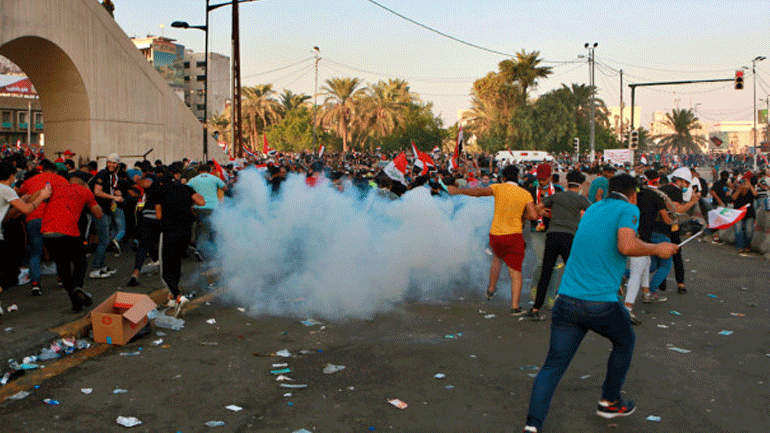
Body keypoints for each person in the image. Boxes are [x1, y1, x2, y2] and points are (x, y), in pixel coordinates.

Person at [522, 174, 679, 433]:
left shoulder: (593, 208)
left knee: (553, 365)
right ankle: (609, 401)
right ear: (633, 194)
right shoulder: (629, 208)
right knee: (625, 340)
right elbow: (626, 246)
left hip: (566, 301)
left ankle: (532, 425)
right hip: (599, 304)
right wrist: (657, 250)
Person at [447, 165, 538, 315]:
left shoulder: (498, 188)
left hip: (495, 235)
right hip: (514, 235)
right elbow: (534, 216)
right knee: (515, 273)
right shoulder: (525, 194)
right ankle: (515, 307)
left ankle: (490, 289)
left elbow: (477, 192)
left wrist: (458, 191)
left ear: (503, 178)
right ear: (518, 178)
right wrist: (524, 216)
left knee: (497, 258)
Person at [524, 169, 590, 321]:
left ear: (567, 183)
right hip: (569, 238)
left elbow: (536, 208)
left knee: (546, 273)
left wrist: (544, 214)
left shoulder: (556, 196)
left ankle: (535, 308)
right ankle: (577, 307)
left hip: (552, 236)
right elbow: (593, 212)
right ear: (580, 185)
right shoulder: (581, 200)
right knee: (573, 272)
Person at [41, 172, 103, 312]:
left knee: (63, 269)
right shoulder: (84, 191)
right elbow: (98, 214)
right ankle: (77, 287)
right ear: (83, 182)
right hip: (68, 233)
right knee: (81, 262)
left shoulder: (56, 187)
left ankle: (76, 304)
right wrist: (88, 193)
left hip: (47, 233)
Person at [0, 161, 52, 315]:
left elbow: (9, 214)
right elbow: (27, 209)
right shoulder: (5, 189)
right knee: (10, 275)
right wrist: (42, 196)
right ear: (11, 175)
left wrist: (28, 198)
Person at [156, 163, 205, 316]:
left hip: (170, 231)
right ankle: (172, 296)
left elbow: (158, 216)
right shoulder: (186, 188)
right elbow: (201, 202)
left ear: (162, 182)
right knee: (176, 262)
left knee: (165, 269)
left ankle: (178, 296)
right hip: (185, 232)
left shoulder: (160, 191)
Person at [18, 159, 69, 295]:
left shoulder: (31, 180)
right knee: (59, 250)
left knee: (35, 252)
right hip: (54, 219)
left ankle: (35, 284)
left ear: (42, 169)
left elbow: (20, 193)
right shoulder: (61, 180)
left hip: (33, 218)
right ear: (54, 171)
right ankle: (61, 278)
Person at [87, 153, 123, 279]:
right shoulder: (103, 174)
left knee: (105, 238)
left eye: (114, 162)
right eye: (110, 162)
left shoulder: (112, 176)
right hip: (100, 209)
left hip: (106, 209)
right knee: (104, 240)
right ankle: (96, 268)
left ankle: (101, 266)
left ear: (118, 164)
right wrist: (114, 197)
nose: (112, 165)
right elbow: (97, 192)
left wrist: (117, 194)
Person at [186, 163, 226, 260]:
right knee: (212, 229)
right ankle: (209, 251)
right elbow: (225, 188)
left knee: (201, 229)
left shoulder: (194, 179)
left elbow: (186, 189)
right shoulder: (214, 178)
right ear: (209, 170)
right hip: (213, 208)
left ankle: (199, 250)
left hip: (199, 208)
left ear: (199, 171)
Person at [732, 172, 757, 256]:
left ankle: (747, 245)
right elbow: (733, 198)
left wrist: (750, 186)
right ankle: (740, 246)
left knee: (749, 231)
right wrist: (739, 190)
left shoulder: (750, 191)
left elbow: (755, 194)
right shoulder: (737, 191)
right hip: (738, 213)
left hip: (749, 214)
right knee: (738, 230)